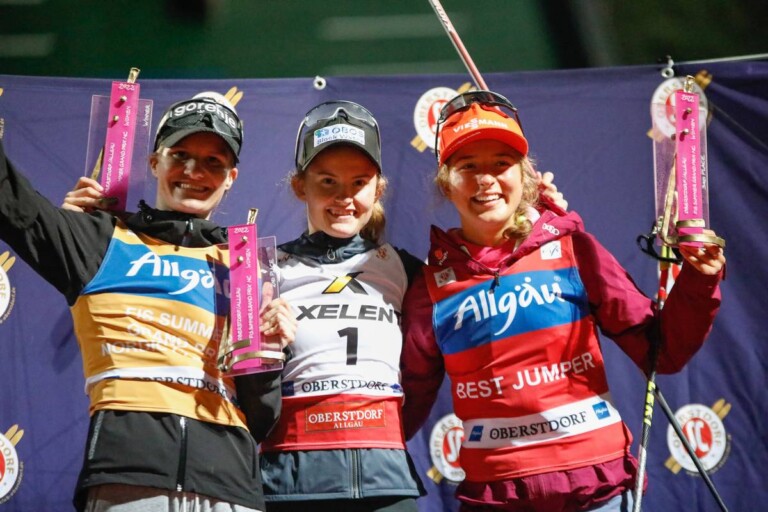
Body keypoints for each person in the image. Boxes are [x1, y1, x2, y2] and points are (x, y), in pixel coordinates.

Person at [400, 90, 725, 512]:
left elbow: (662, 351)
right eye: (467, 167)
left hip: (597, 489)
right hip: (497, 496)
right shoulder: (430, 285)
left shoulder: (575, 249)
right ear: (446, 182)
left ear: (526, 175)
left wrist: (700, 279)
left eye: (501, 164)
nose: (486, 180)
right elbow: (407, 399)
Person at [0, 94, 296, 512]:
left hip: (230, 489)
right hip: (129, 479)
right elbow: (15, 208)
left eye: (214, 162)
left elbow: (259, 418)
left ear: (232, 176)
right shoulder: (99, 240)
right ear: (154, 162)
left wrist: (268, 358)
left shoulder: (243, 266)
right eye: (181, 155)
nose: (195, 172)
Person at [255, 100, 425, 512]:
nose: (344, 197)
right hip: (293, 484)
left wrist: (543, 216)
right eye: (327, 181)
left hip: (387, 481)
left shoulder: (406, 270)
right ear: (300, 186)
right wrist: (263, 349)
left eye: (359, 182)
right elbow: (241, 389)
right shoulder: (265, 270)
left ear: (378, 188)